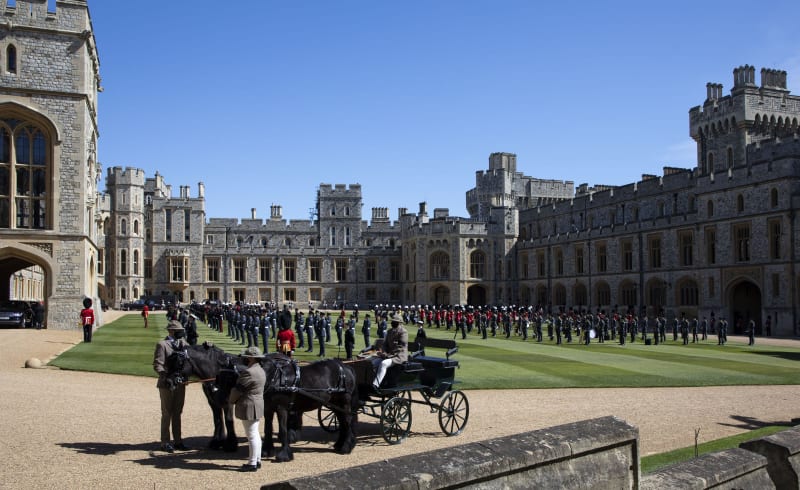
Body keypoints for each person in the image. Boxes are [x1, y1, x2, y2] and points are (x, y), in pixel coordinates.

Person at [153, 320, 189, 453]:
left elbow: (192, 354)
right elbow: (158, 364)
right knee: (167, 413)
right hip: (166, 383)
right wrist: (165, 375)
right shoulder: (162, 345)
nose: (181, 332)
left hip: (180, 383)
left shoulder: (183, 343)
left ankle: (178, 440)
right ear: (171, 331)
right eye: (179, 330)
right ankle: (165, 442)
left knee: (178, 412)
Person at [229, 346, 266, 472]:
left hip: (249, 404)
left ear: (250, 358)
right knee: (255, 434)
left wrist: (230, 400)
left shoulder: (249, 372)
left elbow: (238, 390)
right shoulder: (260, 370)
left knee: (251, 435)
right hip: (257, 403)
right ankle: (257, 459)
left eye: (246, 357)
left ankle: (252, 463)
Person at [371, 312, 408, 389]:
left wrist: (388, 355)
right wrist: (384, 352)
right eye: (392, 321)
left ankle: (376, 385)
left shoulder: (403, 332)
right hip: (388, 355)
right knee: (373, 363)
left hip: (398, 357)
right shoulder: (389, 331)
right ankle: (371, 381)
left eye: (395, 322)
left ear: (399, 323)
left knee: (384, 363)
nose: (393, 323)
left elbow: (400, 347)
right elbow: (385, 344)